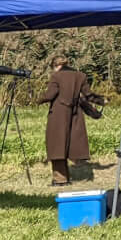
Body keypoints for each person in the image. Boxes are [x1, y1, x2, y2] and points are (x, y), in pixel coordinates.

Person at [40, 55, 94, 186]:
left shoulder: (56, 77)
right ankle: (65, 178)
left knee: (56, 146)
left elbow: (50, 95)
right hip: (74, 114)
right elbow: (89, 95)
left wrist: (38, 99)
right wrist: (102, 102)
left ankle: (60, 179)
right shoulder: (80, 76)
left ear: (56, 66)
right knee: (67, 145)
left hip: (58, 115)